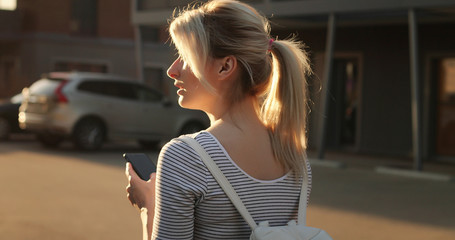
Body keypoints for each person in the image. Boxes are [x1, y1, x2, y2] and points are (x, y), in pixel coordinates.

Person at [125, 0, 313, 239]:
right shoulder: (295, 157)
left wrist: (148, 208)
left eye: (186, 56)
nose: (172, 70)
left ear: (225, 67)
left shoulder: (185, 156)